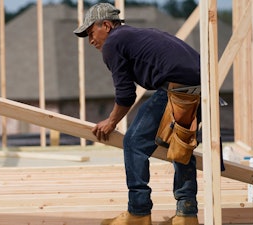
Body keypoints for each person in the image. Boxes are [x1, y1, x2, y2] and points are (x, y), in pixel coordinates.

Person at [74, 3, 200, 225]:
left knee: (133, 143)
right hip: (201, 86)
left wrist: (111, 121)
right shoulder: (135, 35)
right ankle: (186, 213)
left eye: (91, 32)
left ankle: (139, 212)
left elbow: (125, 94)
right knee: (181, 144)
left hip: (176, 87)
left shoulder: (113, 43)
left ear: (106, 25)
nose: (91, 40)